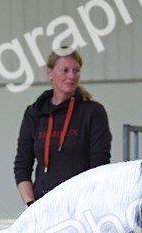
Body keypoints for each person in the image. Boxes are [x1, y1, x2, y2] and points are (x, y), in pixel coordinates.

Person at [13, 50, 112, 206]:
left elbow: (100, 165)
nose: (71, 76)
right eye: (65, 70)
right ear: (50, 72)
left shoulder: (93, 112)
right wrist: (30, 203)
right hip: (43, 204)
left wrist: (90, 201)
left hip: (80, 203)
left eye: (76, 71)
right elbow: (22, 164)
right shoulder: (34, 113)